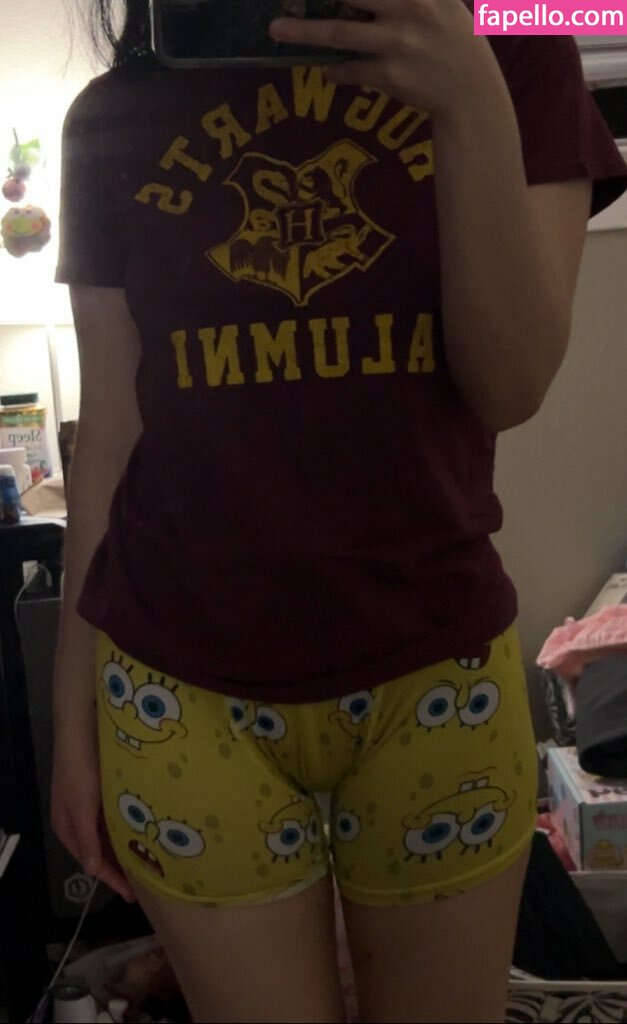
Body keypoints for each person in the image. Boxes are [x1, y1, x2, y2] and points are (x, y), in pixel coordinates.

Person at [51, 1, 627, 1021]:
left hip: (432, 671)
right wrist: (72, 725)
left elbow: (509, 385)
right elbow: (109, 437)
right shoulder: (112, 116)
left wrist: (467, 99)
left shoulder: (512, 58)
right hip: (173, 683)